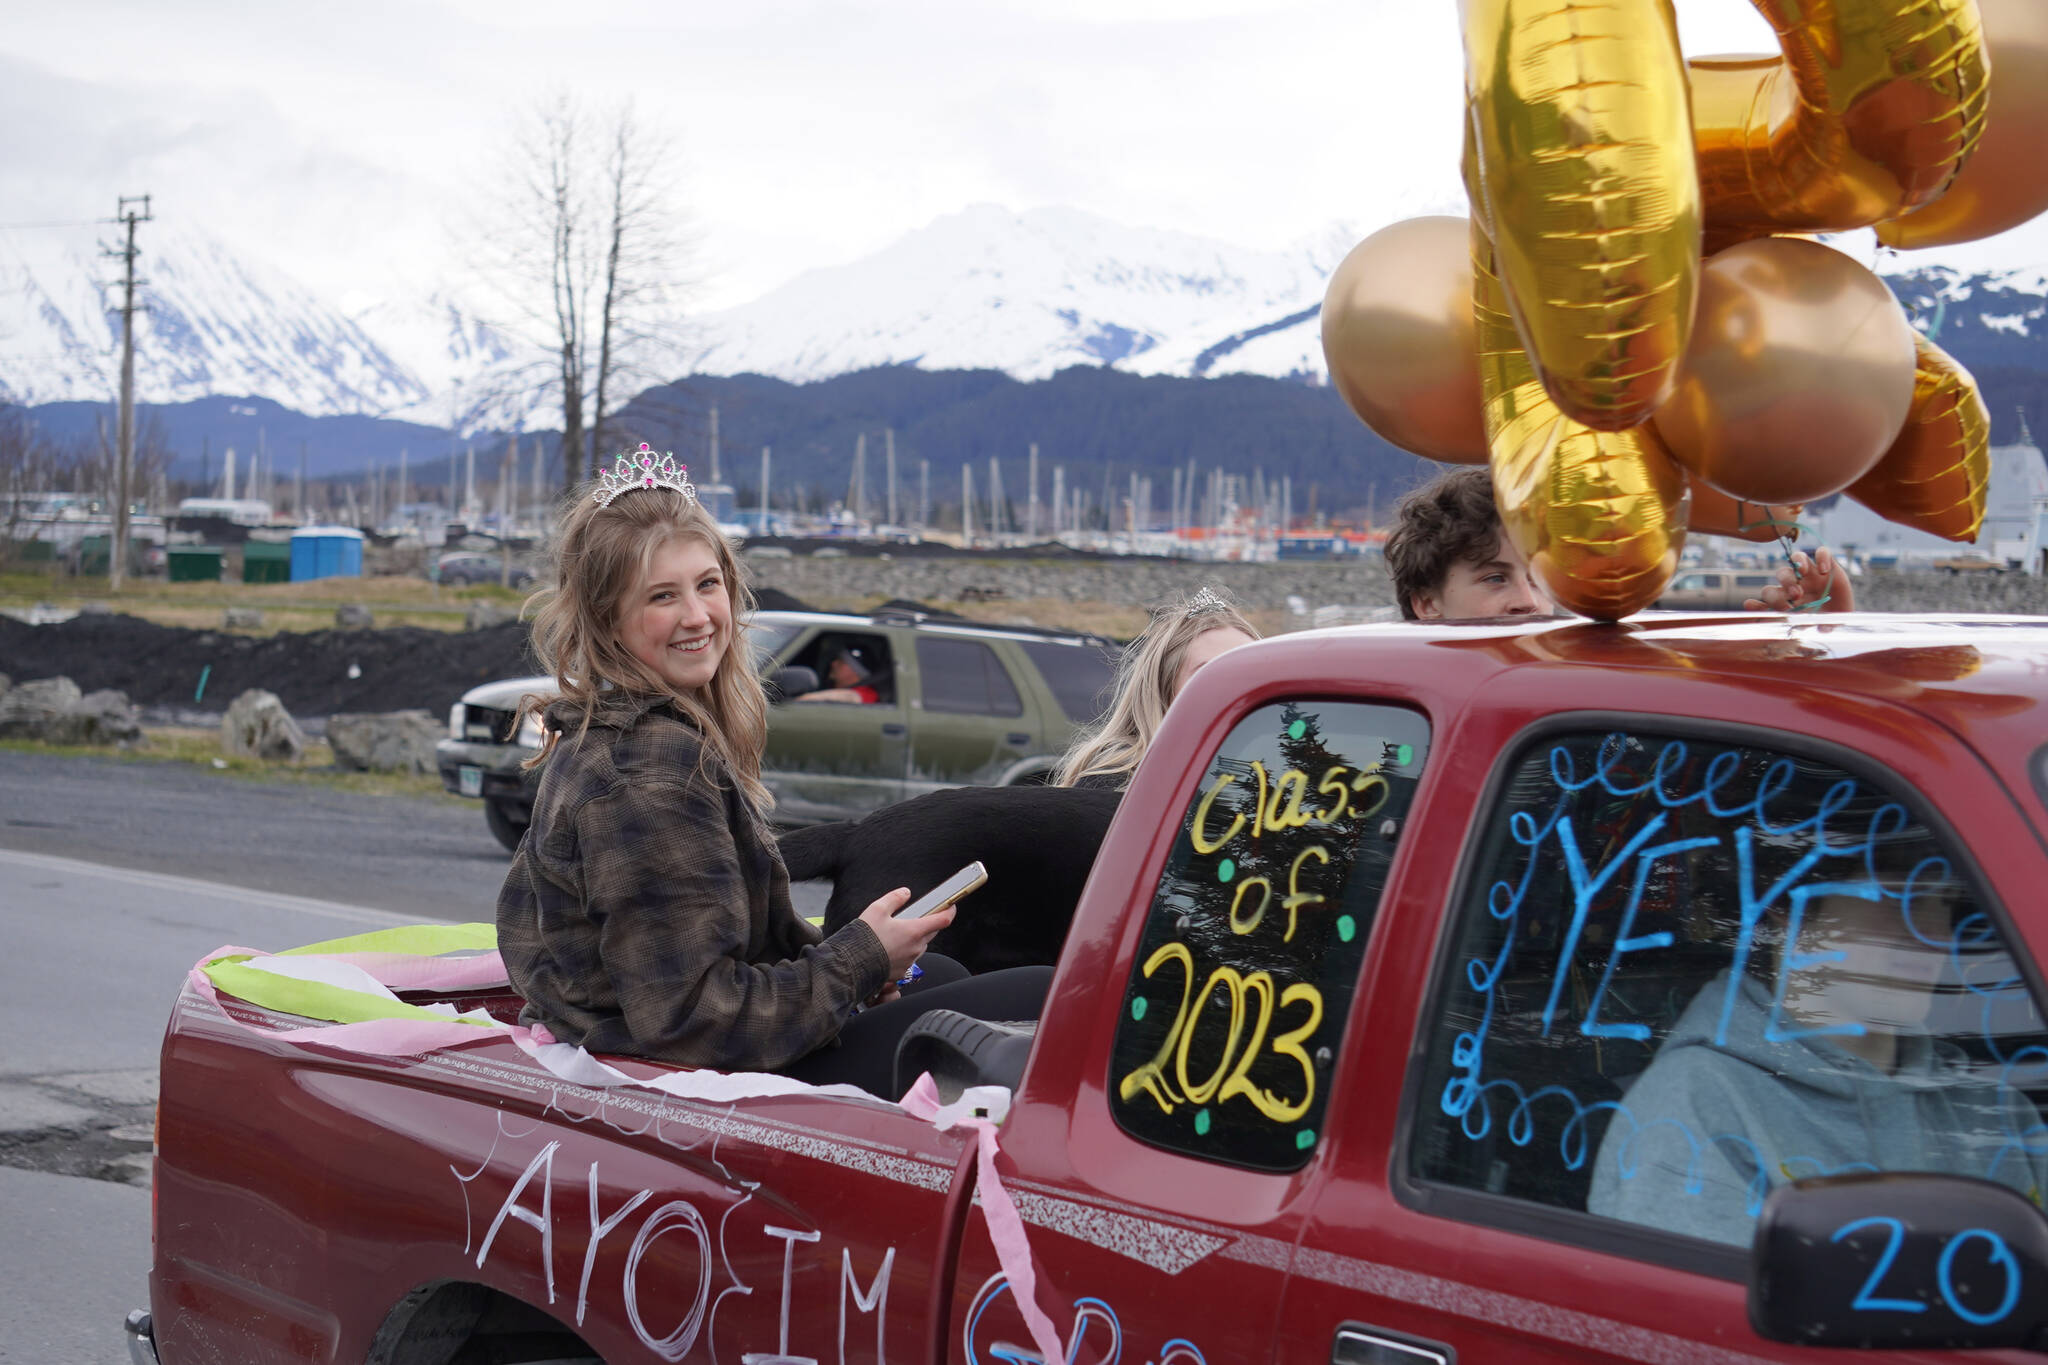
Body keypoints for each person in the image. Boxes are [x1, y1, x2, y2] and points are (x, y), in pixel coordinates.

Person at [496, 449, 1051, 1097]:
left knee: (947, 973)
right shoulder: (649, 771)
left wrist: (863, 956)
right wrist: (860, 957)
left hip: (658, 1038)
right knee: (1037, 993)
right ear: (607, 620)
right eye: (661, 596)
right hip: (695, 1075)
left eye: (707, 584)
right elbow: (692, 1018)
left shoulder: (608, 731)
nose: (699, 616)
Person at [1587, 878, 2048, 1245]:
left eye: (1942, 905)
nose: (1932, 936)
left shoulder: (1995, 1109)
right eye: (1893, 900)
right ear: (1790, 926)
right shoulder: (1700, 1102)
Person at [1382, 465, 1854, 622]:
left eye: (1541, 578)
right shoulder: (1395, 709)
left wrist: (1822, 632)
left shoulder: (1590, 678)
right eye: (1493, 578)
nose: (1528, 603)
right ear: (1427, 603)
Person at [1053, 584, 1260, 790]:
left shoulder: (1278, 772)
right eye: (1209, 674)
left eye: (1246, 675)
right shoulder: (1118, 783)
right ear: (1163, 689)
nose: (1232, 690)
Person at [795, 643, 882, 704]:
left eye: (841, 661)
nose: (833, 663)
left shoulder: (867, 693)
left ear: (856, 671)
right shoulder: (830, 686)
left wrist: (803, 699)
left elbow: (850, 697)